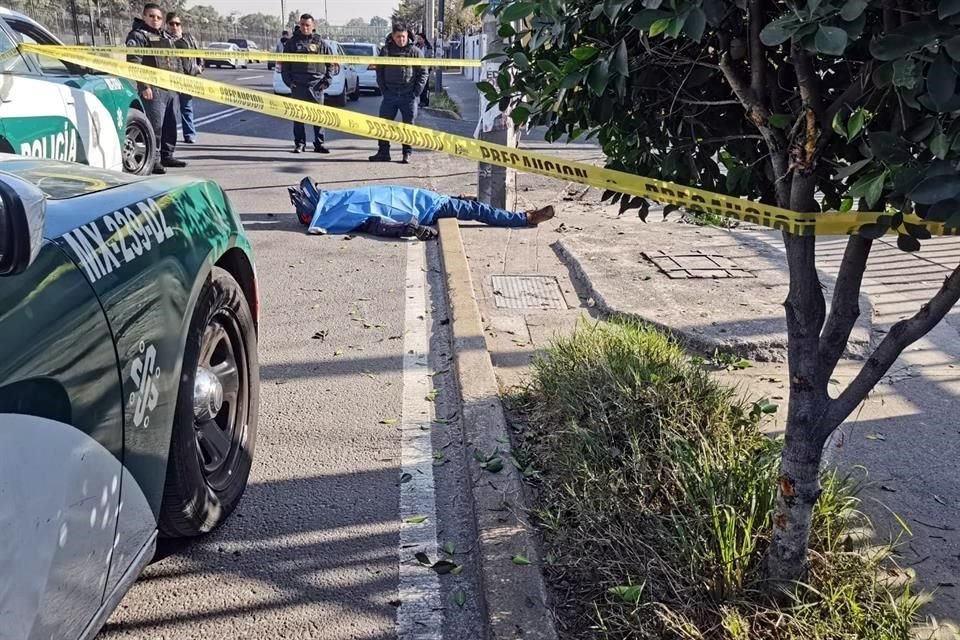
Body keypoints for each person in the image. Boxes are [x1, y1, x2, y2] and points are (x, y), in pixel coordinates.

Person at [287, 178, 556, 238]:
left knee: (471, 207)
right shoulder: (346, 213)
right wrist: (412, 229)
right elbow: (377, 225)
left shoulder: (338, 200)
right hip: (429, 207)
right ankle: (525, 218)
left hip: (425, 199)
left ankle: (524, 217)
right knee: (477, 210)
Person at [126, 3, 187, 174]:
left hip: (170, 87)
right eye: (151, 16)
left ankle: (168, 155)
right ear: (144, 17)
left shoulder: (165, 36)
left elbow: (176, 60)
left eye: (159, 17)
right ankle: (154, 160)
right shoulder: (138, 36)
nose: (155, 20)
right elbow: (134, 62)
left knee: (170, 124)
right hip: (153, 88)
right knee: (155, 126)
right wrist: (144, 85)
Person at [369, 22, 427, 165]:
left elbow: (423, 72)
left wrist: (416, 92)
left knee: (408, 126)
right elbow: (379, 71)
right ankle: (383, 152)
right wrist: (384, 90)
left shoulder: (415, 51)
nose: (401, 39)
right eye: (398, 37)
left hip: (408, 96)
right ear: (393, 37)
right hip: (390, 95)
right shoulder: (386, 50)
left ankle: (406, 153)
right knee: (383, 125)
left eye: (403, 36)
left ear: (407, 36)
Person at [281, 14, 335, 154]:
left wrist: (326, 81)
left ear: (313, 26)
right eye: (303, 24)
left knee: (319, 117)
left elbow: (331, 64)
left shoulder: (321, 43)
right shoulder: (292, 43)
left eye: (308, 25)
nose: (305, 27)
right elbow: (285, 65)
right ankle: (300, 144)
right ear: (300, 25)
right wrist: (289, 82)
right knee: (298, 117)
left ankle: (319, 144)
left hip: (316, 85)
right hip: (298, 85)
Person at [165, 11, 201, 144]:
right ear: (167, 25)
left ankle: (189, 134)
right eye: (171, 23)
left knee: (186, 107)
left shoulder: (188, 38)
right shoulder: (163, 39)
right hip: (170, 78)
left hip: (187, 77)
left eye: (177, 24)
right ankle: (170, 138)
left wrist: (199, 67)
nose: (174, 26)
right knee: (171, 110)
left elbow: (198, 54)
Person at [415, 33, 433, 108]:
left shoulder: (428, 47)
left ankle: (425, 101)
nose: (418, 40)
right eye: (417, 39)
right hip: (418, 68)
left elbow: (428, 57)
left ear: (423, 39)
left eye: (419, 39)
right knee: (419, 84)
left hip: (426, 68)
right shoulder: (416, 46)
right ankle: (421, 100)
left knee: (425, 85)